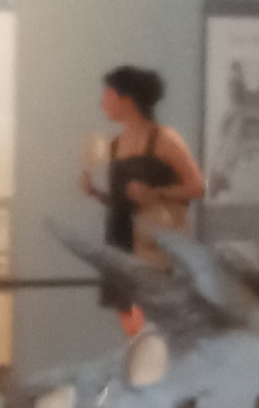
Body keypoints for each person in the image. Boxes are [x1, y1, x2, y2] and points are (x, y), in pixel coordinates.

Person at [83, 65, 203, 308]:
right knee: (128, 316)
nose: (103, 103)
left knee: (154, 316)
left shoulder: (164, 139)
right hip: (118, 241)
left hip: (152, 245)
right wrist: (95, 192)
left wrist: (156, 193)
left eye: (108, 95)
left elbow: (197, 186)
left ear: (127, 100)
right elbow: (123, 201)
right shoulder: (116, 144)